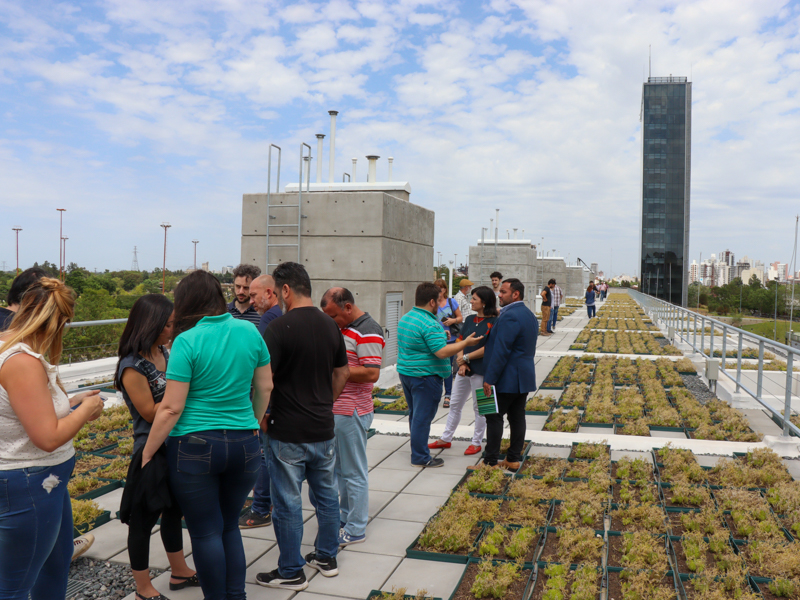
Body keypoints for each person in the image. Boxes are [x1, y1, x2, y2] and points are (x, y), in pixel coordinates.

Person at [142, 270, 273, 600]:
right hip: (245, 445)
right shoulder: (249, 331)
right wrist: (252, 422)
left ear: (186, 302)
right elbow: (265, 387)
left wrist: (148, 451)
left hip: (194, 447)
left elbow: (171, 408)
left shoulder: (186, 341)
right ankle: (236, 596)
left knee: (204, 532)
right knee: (229, 525)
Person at [0, 278, 105, 599]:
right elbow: (46, 437)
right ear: (58, 322)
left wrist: (70, 403)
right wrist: (85, 410)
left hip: (46, 482)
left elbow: (25, 410)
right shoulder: (22, 361)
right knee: (15, 586)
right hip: (30, 483)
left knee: (54, 563)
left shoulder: (10, 347)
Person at [256, 263, 349, 591]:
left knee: (287, 503)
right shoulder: (331, 326)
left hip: (287, 431)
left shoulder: (278, 328)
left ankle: (291, 570)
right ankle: (326, 557)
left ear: (285, 290)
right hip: (323, 429)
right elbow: (342, 372)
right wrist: (326, 402)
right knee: (327, 496)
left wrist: (260, 418)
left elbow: (264, 382)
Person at [114, 294, 198, 598]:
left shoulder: (165, 351)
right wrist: (181, 394)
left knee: (174, 511)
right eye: (168, 324)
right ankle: (143, 587)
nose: (172, 330)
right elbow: (150, 413)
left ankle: (179, 570)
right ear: (150, 324)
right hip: (149, 449)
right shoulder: (132, 366)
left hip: (175, 443)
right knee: (142, 519)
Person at [320, 287, 385, 546]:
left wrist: (336, 370)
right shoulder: (345, 327)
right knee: (341, 470)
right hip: (339, 410)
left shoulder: (368, 329)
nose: (331, 322)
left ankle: (356, 528)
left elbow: (371, 373)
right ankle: (346, 518)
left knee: (353, 471)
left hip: (352, 410)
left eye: (333, 316)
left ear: (348, 307)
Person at [397, 282, 482, 468]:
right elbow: (442, 352)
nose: (440, 303)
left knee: (415, 416)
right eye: (438, 300)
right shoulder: (430, 323)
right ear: (432, 302)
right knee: (422, 418)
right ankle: (420, 457)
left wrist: (441, 336)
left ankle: (417, 450)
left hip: (408, 374)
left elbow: (419, 343)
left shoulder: (406, 317)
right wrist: (465, 343)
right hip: (426, 377)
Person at [429, 286, 497, 456]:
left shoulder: (495, 322)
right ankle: (446, 438)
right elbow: (460, 341)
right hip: (464, 370)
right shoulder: (470, 319)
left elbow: (490, 348)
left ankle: (476, 442)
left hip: (483, 372)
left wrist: (466, 358)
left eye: (474, 299)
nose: (470, 301)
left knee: (481, 408)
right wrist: (462, 363)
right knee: (455, 404)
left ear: (484, 302)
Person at [238, 274, 282, 530]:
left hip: (269, 402)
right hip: (281, 400)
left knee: (263, 456)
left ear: (269, 293)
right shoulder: (281, 316)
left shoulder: (268, 320)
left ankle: (261, 508)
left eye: (253, 294)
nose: (250, 299)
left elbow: (264, 368)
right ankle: (271, 503)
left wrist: (261, 410)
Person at [481, 278, 538, 471]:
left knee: (493, 416)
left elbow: (501, 350)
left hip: (507, 377)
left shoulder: (510, 316)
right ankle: (512, 459)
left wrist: (489, 379)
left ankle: (489, 462)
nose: (499, 294)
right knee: (516, 417)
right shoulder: (528, 314)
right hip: (522, 376)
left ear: (515, 294)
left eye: (503, 292)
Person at [434, 279, 462, 408]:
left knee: (447, 368)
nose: (438, 291)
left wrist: (452, 321)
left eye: (440, 288)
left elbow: (460, 318)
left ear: (445, 289)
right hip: (436, 339)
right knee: (436, 367)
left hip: (450, 340)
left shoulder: (451, 302)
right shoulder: (432, 303)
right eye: (436, 288)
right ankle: (436, 394)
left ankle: (448, 395)